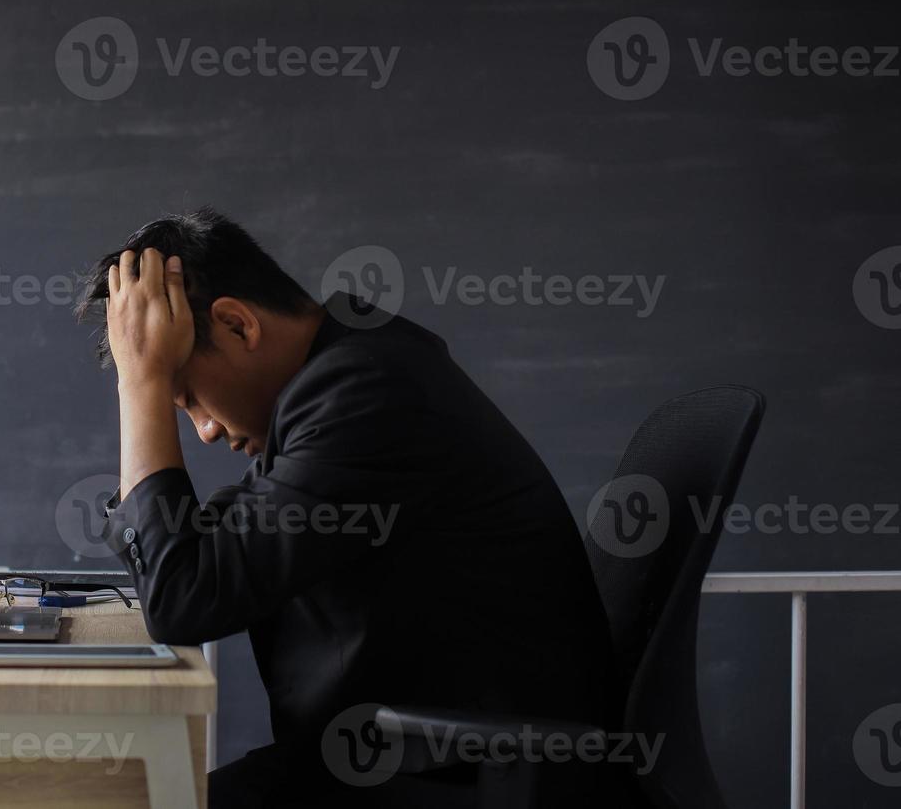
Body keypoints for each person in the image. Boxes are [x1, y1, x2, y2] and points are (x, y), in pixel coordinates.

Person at [75, 209, 613, 806]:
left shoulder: (365, 394)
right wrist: (151, 379)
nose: (202, 429)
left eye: (189, 397)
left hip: (451, 778)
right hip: (400, 759)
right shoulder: (346, 376)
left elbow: (183, 598)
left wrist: (141, 382)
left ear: (236, 324)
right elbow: (205, 550)